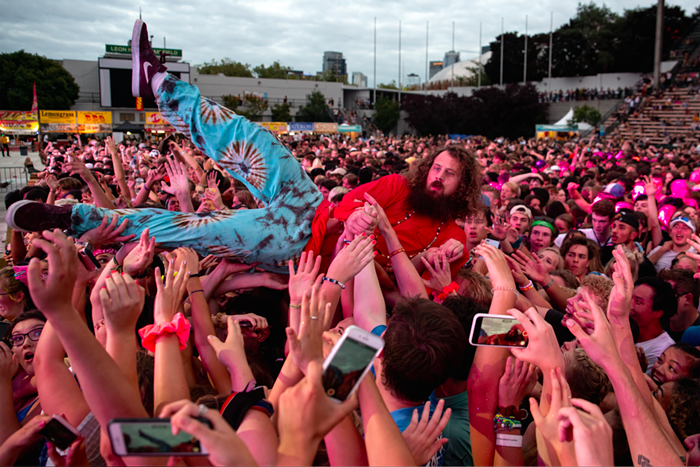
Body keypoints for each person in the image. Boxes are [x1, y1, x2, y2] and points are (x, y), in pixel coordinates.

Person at [631, 277, 678, 374]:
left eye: (638, 302)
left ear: (658, 313)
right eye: (630, 298)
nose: (630, 305)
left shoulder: (663, 351)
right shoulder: (625, 329)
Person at [657, 268, 700, 341]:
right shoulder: (656, 323)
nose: (661, 299)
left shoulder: (697, 333)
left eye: (668, 295)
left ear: (688, 299)